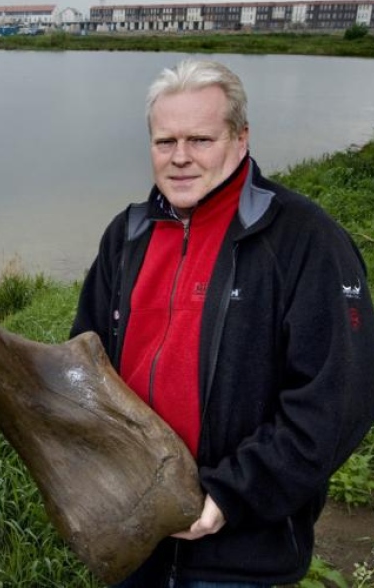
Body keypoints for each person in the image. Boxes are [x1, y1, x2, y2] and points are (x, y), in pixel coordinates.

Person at [70, 59, 374, 587]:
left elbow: (338, 400)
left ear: (240, 138)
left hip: (240, 552)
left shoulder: (305, 240)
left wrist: (231, 494)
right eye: (165, 142)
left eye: (200, 139)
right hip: (134, 532)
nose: (180, 158)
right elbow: (85, 365)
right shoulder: (126, 236)